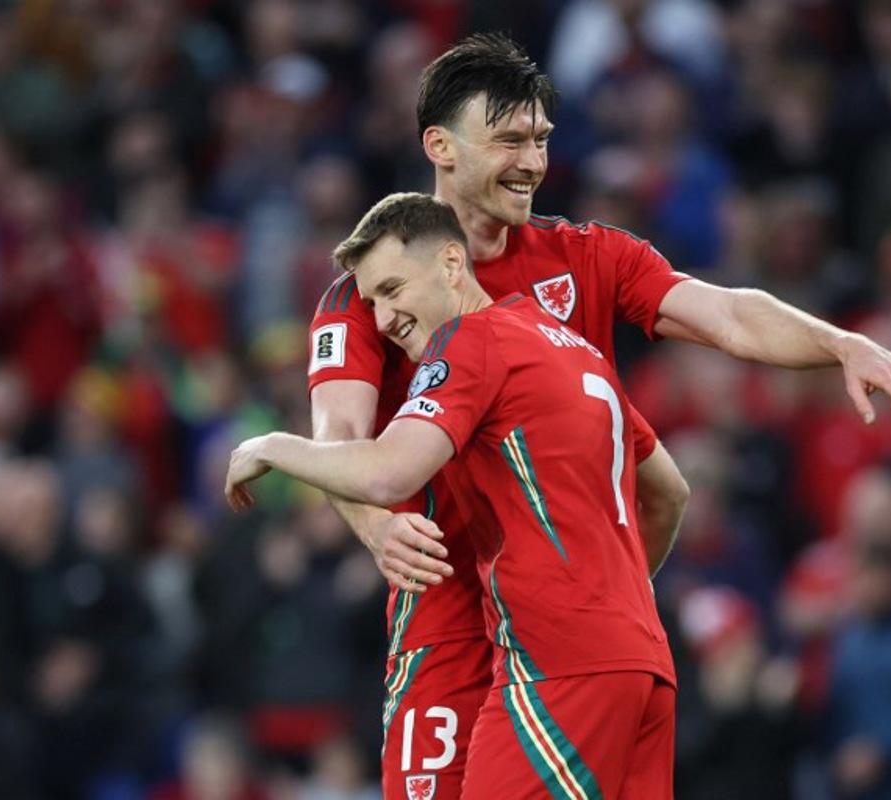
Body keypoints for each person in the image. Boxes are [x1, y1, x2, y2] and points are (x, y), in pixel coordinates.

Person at [307, 33, 891, 797]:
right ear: (440, 146)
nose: (533, 163)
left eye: (540, 139)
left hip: (553, 639)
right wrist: (376, 529)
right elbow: (341, 440)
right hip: (445, 619)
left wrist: (840, 344)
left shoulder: (587, 257)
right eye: (508, 140)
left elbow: (728, 315)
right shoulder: (370, 291)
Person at [228, 192, 677, 798]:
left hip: (557, 661)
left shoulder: (469, 342)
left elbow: (390, 473)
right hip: (643, 663)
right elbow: (670, 493)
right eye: (370, 303)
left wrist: (274, 447)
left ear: (449, 262)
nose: (382, 320)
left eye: (392, 290)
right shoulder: (574, 349)